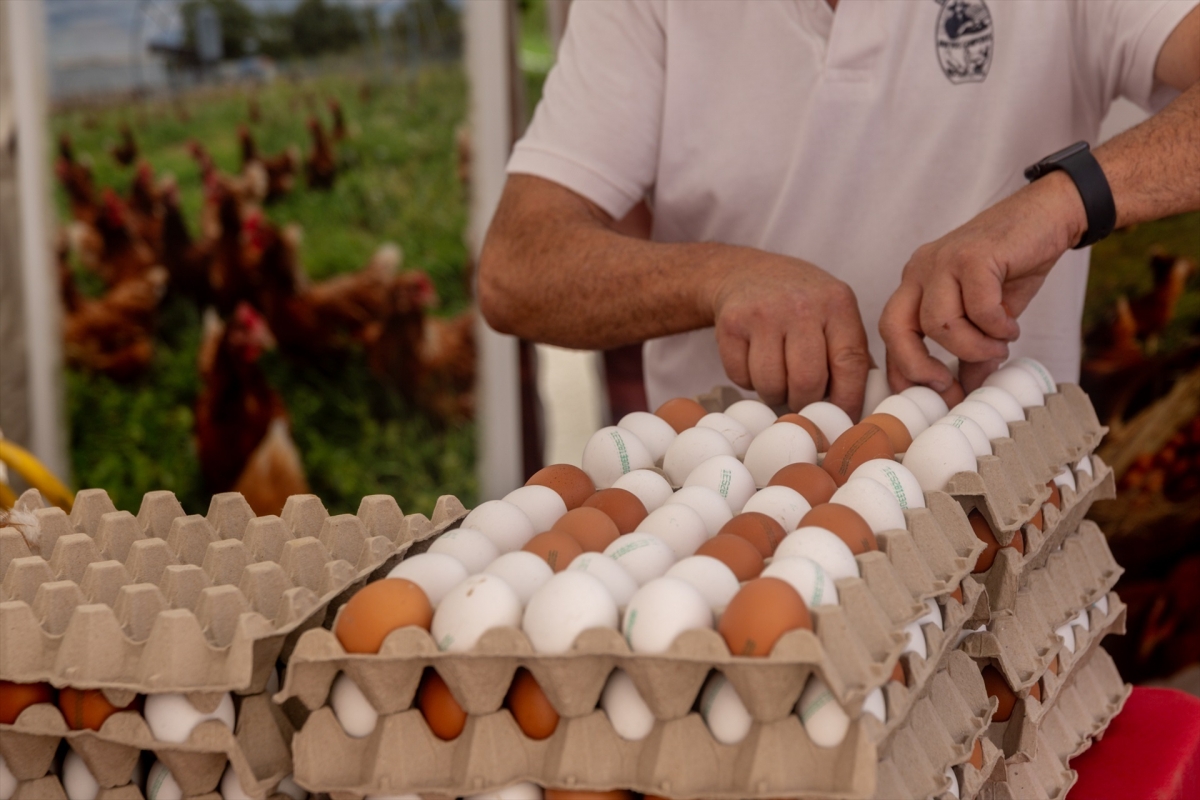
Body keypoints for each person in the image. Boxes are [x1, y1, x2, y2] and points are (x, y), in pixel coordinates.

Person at [479, 0, 1200, 419]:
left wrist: (1063, 199)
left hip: (994, 526)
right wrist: (720, 279)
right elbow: (516, 269)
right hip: (731, 513)